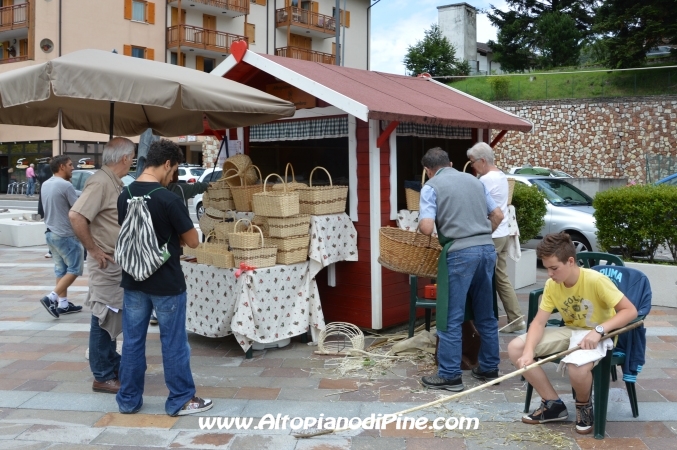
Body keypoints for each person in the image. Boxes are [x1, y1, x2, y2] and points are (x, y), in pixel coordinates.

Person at [116, 139, 211, 416]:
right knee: (173, 342)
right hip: (166, 282)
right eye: (174, 171)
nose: (174, 178)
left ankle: (128, 400)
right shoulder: (167, 198)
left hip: (133, 280)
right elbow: (193, 241)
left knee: (133, 342)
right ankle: (181, 399)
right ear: (167, 164)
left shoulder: (126, 194)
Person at [508, 232, 637, 434]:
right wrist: (528, 352)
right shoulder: (553, 285)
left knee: (576, 369)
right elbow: (539, 322)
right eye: (547, 268)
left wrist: (599, 330)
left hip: (600, 333)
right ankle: (553, 405)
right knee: (516, 348)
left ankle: (583, 406)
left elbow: (630, 311)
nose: (550, 274)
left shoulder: (596, 280)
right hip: (571, 331)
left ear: (570, 261)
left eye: (554, 268)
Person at [418, 147, 504, 392]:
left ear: (428, 170)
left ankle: (450, 375)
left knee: (451, 315)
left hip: (458, 253)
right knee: (486, 313)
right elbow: (497, 215)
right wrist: (481, 234)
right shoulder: (475, 182)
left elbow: (426, 228)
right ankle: (489, 367)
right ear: (451, 162)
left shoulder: (431, 187)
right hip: (487, 249)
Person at [69, 138, 135, 394]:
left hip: (114, 262)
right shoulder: (100, 181)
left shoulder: (111, 181)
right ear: (125, 158)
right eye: (132, 156)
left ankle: (111, 364)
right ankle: (102, 375)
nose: (132, 160)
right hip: (105, 262)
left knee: (112, 314)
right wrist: (93, 249)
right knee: (103, 316)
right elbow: (76, 216)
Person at [467, 142, 526, 333]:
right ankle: (515, 318)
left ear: (483, 161)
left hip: (490, 233)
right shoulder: (501, 176)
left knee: (484, 278)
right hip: (502, 233)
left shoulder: (484, 181)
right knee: (501, 278)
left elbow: (475, 206)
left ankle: (484, 319)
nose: (472, 166)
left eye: (472, 162)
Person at [145, 170, 209, 326]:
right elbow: (193, 242)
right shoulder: (175, 194)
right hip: (172, 243)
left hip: (151, 248)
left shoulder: (138, 191)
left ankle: (156, 311)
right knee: (170, 276)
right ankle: (162, 311)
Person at [39, 156, 84, 318]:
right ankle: (51, 297)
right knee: (74, 269)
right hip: (66, 235)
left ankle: (63, 304)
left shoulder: (46, 184)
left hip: (51, 233)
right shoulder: (66, 185)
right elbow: (78, 208)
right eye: (70, 165)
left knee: (61, 270)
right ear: (61, 166)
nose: (73, 167)